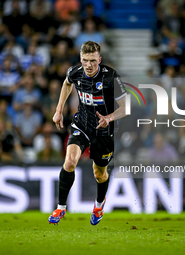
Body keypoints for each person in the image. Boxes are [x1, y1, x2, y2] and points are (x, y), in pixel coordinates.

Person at [49, 41, 127, 225]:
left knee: (99, 174)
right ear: (81, 59)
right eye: (85, 60)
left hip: (103, 130)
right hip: (82, 125)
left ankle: (99, 205)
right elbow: (67, 84)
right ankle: (61, 208)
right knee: (69, 162)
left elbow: (126, 107)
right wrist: (59, 110)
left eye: (93, 60)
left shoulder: (111, 78)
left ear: (99, 59)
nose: (89, 65)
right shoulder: (74, 72)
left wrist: (109, 117)